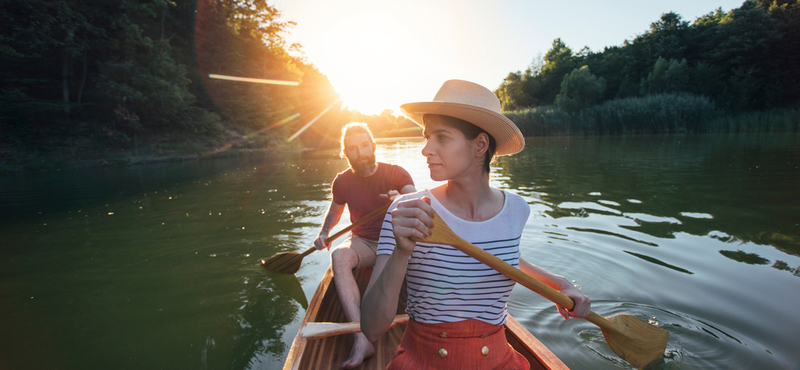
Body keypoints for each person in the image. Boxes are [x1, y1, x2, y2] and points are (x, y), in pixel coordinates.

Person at [361, 80, 591, 369]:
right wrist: (401, 252)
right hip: (426, 360)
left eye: (441, 138)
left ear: (480, 145)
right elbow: (371, 327)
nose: (425, 150)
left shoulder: (516, 210)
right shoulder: (409, 212)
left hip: (498, 359)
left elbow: (504, 260)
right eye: (426, 137)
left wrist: (561, 284)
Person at [313, 122, 416, 369]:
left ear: (374, 146)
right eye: (352, 148)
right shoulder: (342, 182)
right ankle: (360, 338)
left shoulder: (395, 173)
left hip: (397, 244)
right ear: (345, 153)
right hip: (365, 243)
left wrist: (404, 200)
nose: (360, 153)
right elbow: (335, 211)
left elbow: (418, 199)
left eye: (364, 145)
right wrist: (324, 232)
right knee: (338, 256)